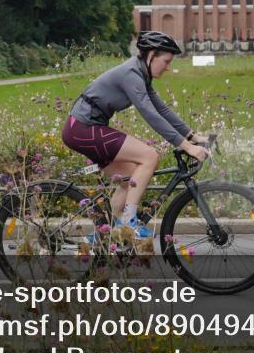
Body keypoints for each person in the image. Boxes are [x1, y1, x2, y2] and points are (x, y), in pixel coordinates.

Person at [62, 31, 209, 238]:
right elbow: (150, 114)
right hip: (83, 128)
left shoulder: (141, 75)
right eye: (166, 61)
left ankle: (105, 236)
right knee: (150, 156)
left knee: (130, 178)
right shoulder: (131, 74)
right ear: (151, 55)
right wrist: (187, 147)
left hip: (85, 128)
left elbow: (161, 109)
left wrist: (192, 136)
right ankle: (129, 223)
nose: (168, 67)